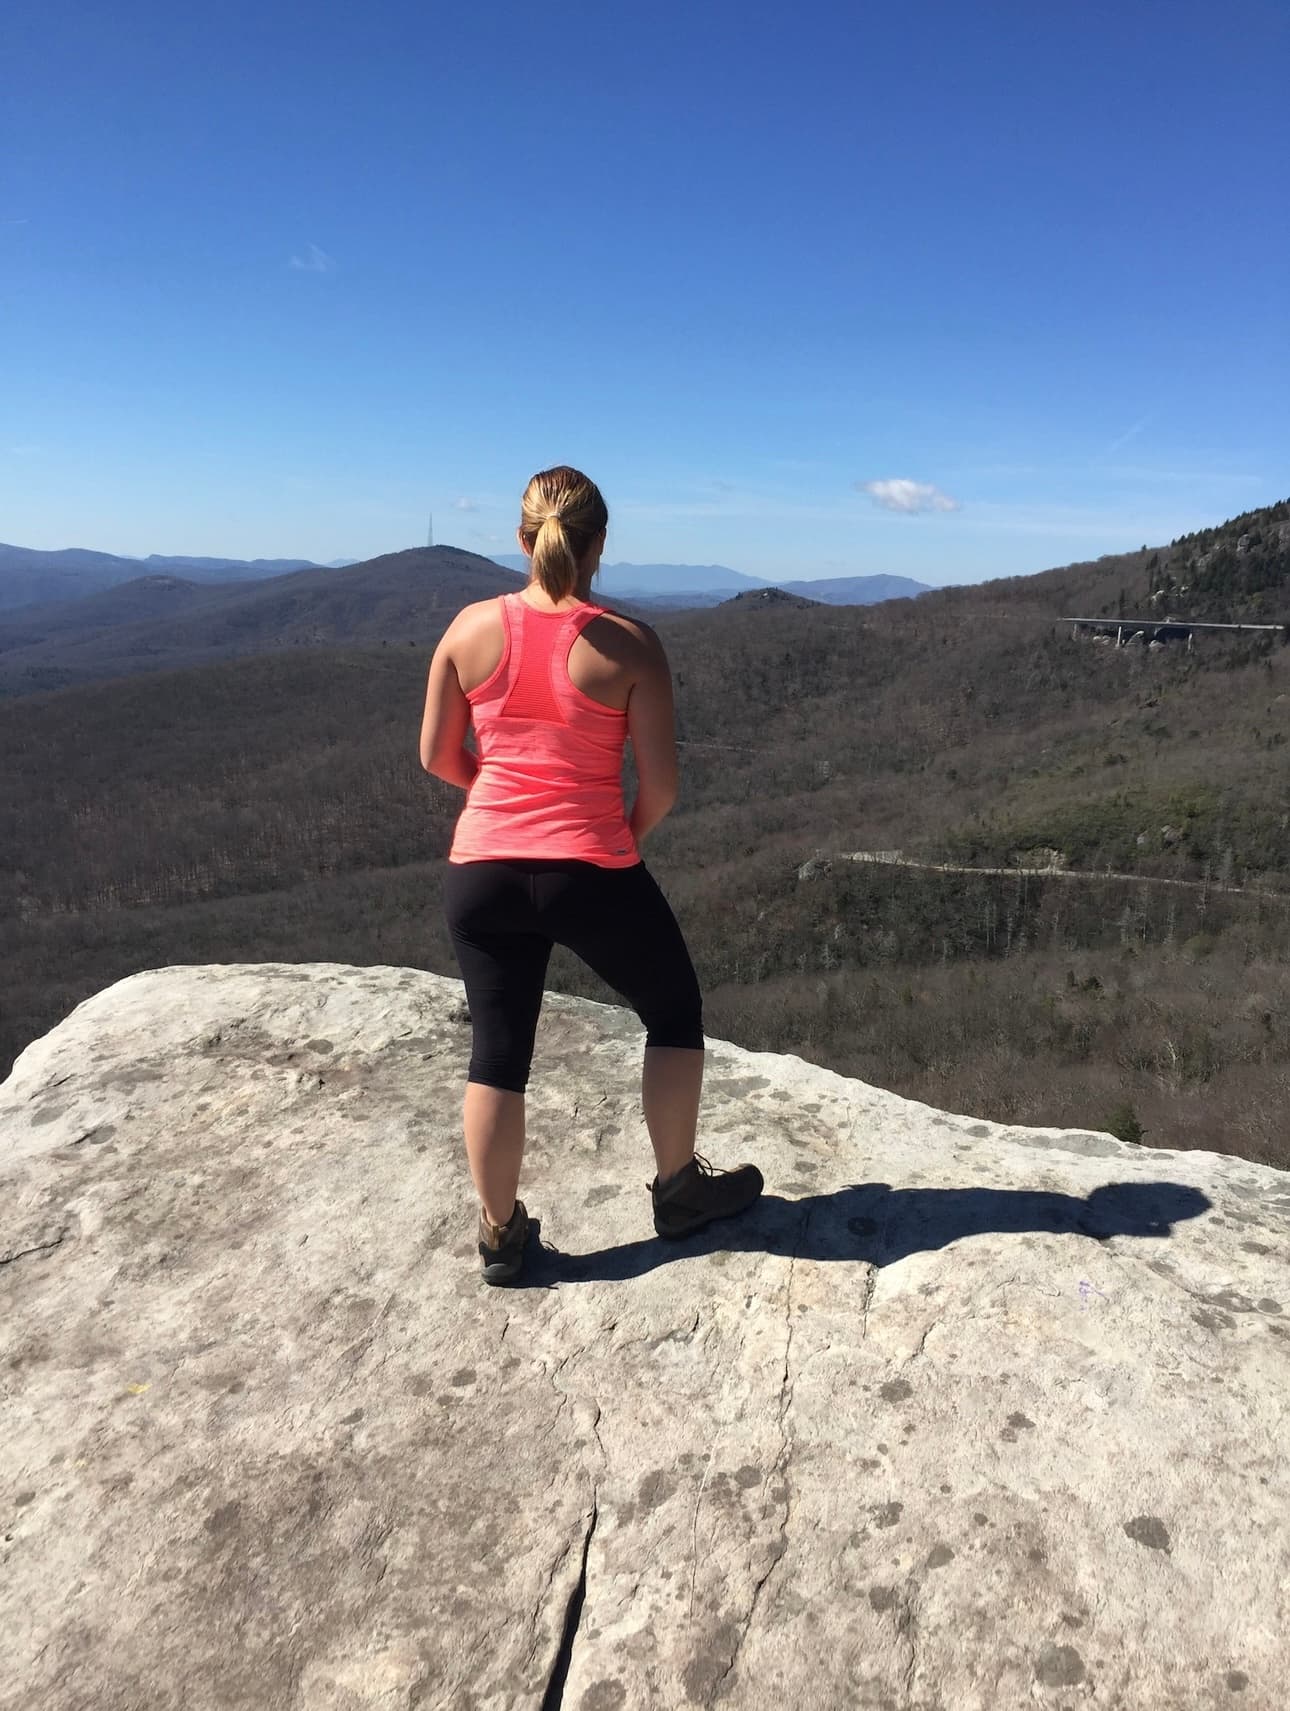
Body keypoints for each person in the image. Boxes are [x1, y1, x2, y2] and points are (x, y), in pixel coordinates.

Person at [419, 465, 763, 1283]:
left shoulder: (468, 629)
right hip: (591, 871)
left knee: (498, 1053)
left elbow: (436, 754)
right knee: (672, 1009)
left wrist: (498, 799)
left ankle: (500, 1235)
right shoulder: (631, 644)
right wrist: (610, 837)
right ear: (601, 543)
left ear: (521, 538)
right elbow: (662, 786)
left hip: (483, 872)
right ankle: (678, 1190)